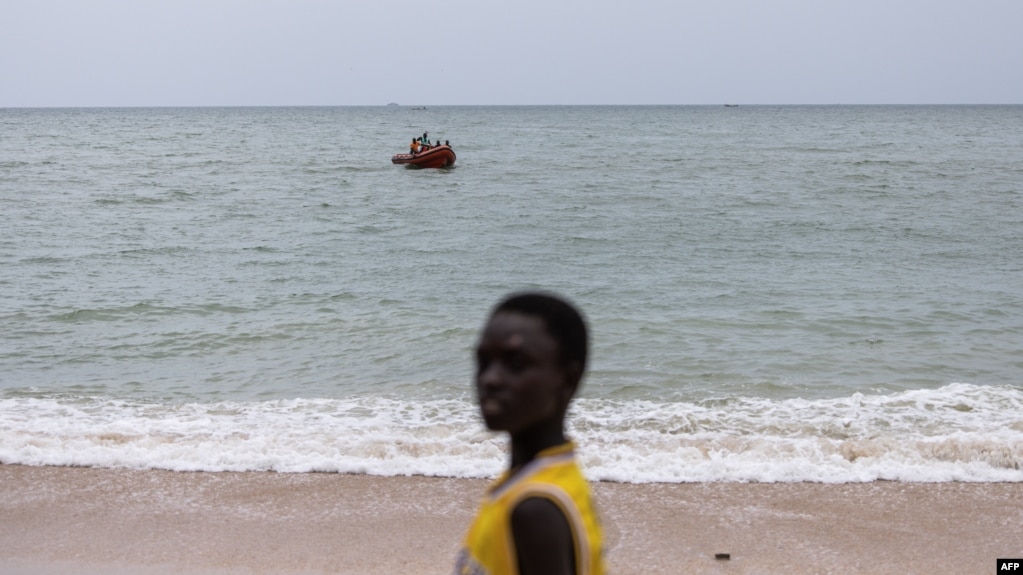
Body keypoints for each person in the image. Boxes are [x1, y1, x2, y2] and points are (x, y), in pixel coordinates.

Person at [455, 292, 606, 575]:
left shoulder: (534, 508)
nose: (490, 378)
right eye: (484, 361)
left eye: (516, 364)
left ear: (567, 380)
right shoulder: (549, 477)